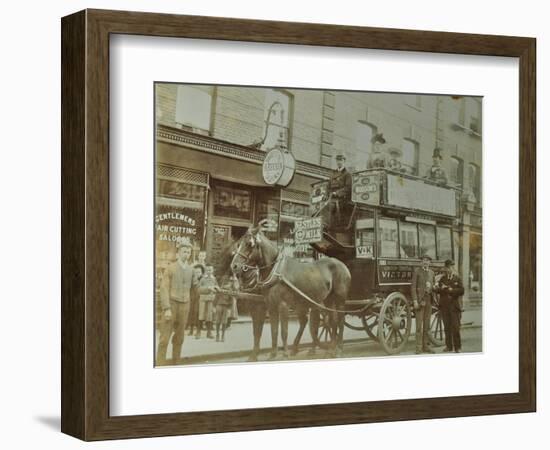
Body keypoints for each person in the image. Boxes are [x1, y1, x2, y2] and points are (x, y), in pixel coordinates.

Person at [157, 238, 198, 365]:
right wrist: (167, 308)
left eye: (189, 252)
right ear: (179, 253)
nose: (187, 254)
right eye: (184, 251)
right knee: (164, 339)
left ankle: (176, 363)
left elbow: (196, 288)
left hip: (185, 306)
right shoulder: (171, 268)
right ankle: (159, 364)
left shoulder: (192, 270)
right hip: (172, 306)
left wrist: (210, 289)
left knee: (179, 338)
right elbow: (164, 289)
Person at [435, 259, 465, 353]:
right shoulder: (442, 279)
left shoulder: (457, 278)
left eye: (451, 267)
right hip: (445, 306)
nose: (450, 269)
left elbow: (462, 291)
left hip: (454, 307)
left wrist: (452, 290)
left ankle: (457, 347)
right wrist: (442, 288)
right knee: (447, 327)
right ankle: (449, 347)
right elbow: (438, 290)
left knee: (455, 327)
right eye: (448, 267)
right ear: (446, 268)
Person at [411, 254, 436, 354]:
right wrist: (415, 301)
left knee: (427, 326)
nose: (425, 262)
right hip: (420, 302)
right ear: (421, 262)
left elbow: (433, 286)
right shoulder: (417, 272)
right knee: (418, 326)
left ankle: (426, 347)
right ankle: (418, 348)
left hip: (429, 301)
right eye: (424, 260)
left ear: (429, 262)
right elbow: (413, 287)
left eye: (427, 260)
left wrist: (432, 286)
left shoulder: (431, 273)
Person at [196, 265, 219, 339]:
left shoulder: (214, 279)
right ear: (206, 271)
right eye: (208, 270)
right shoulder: (203, 279)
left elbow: (217, 288)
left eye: (210, 270)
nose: (209, 272)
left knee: (209, 317)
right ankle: (198, 332)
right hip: (203, 299)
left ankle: (209, 332)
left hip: (210, 300)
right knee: (201, 316)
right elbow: (198, 289)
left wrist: (216, 288)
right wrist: (207, 288)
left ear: (213, 270)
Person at [214, 276, 237, 342]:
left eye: (229, 283)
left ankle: (223, 336)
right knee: (218, 321)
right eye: (226, 283)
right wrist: (214, 306)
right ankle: (217, 334)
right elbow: (216, 297)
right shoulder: (219, 289)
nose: (228, 284)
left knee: (224, 322)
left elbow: (232, 299)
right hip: (219, 305)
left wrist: (230, 307)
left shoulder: (231, 290)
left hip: (226, 306)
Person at [187, 264, 205, 337]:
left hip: (200, 299)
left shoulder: (203, 280)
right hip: (192, 299)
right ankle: (191, 330)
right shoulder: (192, 280)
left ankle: (198, 331)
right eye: (195, 272)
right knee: (191, 314)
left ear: (201, 273)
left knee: (199, 315)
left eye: (199, 272)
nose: (197, 274)